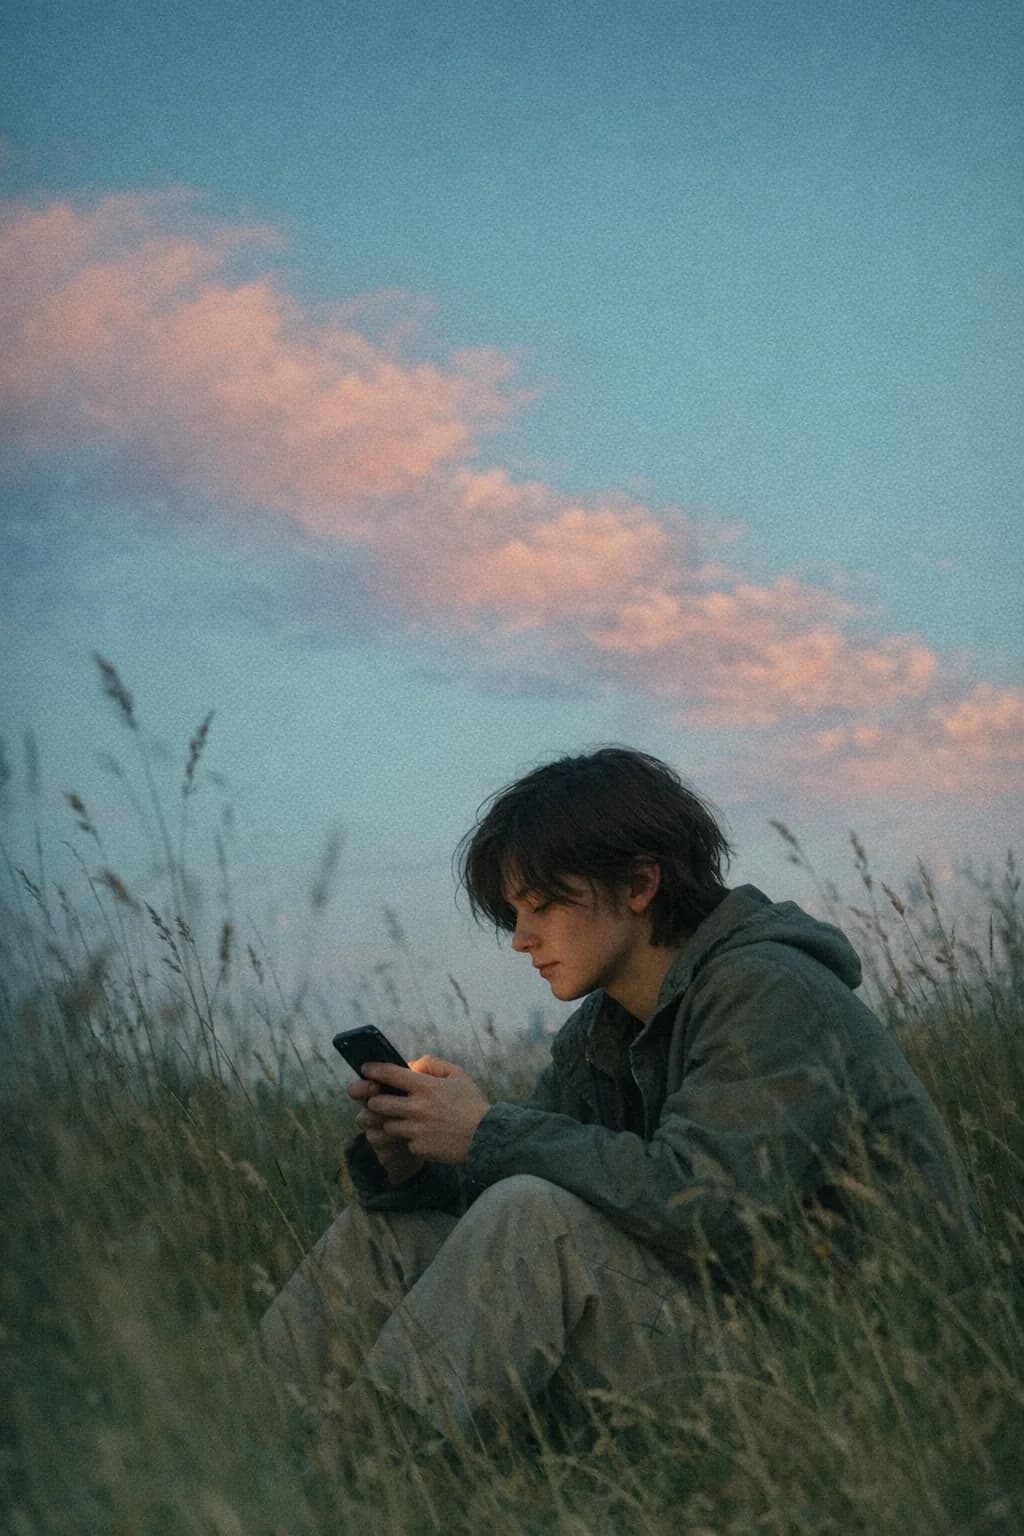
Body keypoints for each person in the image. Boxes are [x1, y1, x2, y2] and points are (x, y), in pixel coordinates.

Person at [258, 747, 979, 1447]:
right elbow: (545, 1170)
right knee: (393, 1234)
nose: (520, 938)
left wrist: (486, 1133)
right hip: (708, 1333)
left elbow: (708, 1207)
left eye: (541, 905)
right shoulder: (601, 1031)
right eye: (514, 912)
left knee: (534, 1220)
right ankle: (237, 1445)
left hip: (848, 1379)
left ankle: (353, 1475)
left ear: (639, 886)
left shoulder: (771, 992)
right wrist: (420, 1159)